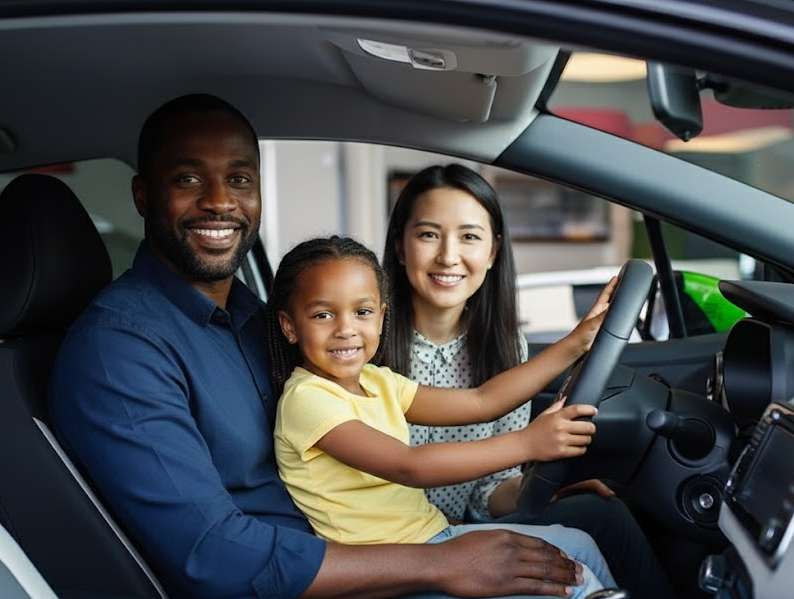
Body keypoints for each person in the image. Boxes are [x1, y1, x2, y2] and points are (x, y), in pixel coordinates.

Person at [48, 93, 606, 599]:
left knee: (587, 543)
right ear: (144, 196)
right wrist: (438, 563)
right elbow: (214, 557)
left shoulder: (252, 318)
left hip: (380, 557)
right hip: (332, 581)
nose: (220, 201)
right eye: (189, 179)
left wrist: (580, 341)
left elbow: (479, 402)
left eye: (240, 179)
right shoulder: (120, 349)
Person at [377, 164, 679, 599]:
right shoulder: (365, 341)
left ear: (494, 251)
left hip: (466, 528)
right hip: (400, 547)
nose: (447, 256)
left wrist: (541, 482)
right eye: (428, 235)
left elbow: (485, 493)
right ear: (401, 247)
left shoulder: (505, 347)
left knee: (602, 511)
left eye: (469, 237)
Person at [269, 235, 617, 599]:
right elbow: (409, 466)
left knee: (580, 547)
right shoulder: (307, 399)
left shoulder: (377, 381)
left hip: (434, 540)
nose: (346, 328)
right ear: (290, 326)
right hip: (391, 573)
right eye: (323, 315)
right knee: (575, 585)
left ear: (381, 316)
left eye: (362, 312)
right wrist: (527, 443)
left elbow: (482, 401)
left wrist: (577, 342)